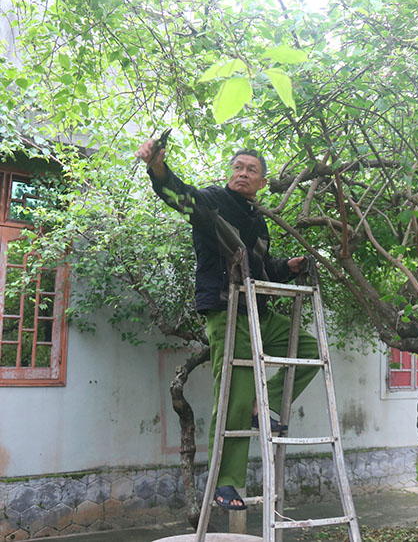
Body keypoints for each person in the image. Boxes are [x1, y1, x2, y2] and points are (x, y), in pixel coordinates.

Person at [135, 138, 320, 511]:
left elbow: (262, 267)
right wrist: (157, 168)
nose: (243, 173)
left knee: (309, 350)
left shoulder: (259, 221)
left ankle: (260, 406)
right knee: (233, 387)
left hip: (259, 311)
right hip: (226, 309)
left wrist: (289, 267)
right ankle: (225, 483)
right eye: (238, 167)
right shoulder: (213, 201)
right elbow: (181, 196)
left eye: (251, 170)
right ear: (229, 173)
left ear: (262, 183)